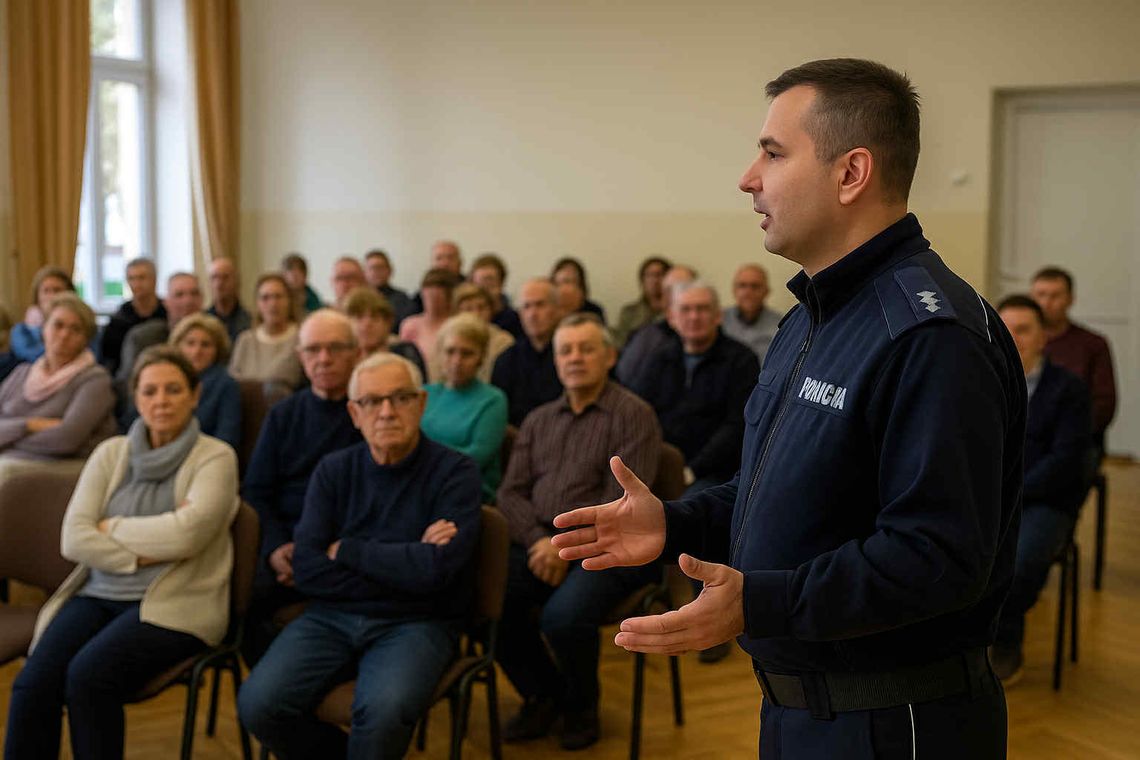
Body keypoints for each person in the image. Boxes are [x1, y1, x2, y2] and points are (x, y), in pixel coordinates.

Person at [553, 59, 1024, 759]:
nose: (749, 178)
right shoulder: (810, 316)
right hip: (800, 708)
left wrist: (759, 603)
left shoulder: (930, 335)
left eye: (773, 153)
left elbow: (937, 558)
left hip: (894, 720)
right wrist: (676, 524)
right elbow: (778, 489)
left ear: (851, 173)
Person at [238, 353, 482, 759]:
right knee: (258, 705)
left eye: (400, 398)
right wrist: (408, 557)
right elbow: (309, 569)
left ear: (421, 403)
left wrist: (348, 549)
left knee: (382, 713)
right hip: (331, 616)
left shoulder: (455, 472)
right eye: (371, 401)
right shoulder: (333, 470)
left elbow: (437, 572)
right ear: (354, 413)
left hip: (418, 622)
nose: (386, 412)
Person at [4, 345, 239, 760]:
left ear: (195, 395)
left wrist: (110, 528)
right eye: (150, 391)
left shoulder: (216, 456)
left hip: (173, 605)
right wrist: (143, 550)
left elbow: (186, 536)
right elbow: (73, 539)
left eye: (173, 390)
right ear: (136, 398)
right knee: (33, 683)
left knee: (88, 678)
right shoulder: (110, 453)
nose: (161, 401)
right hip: (98, 593)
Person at [496, 313, 662, 750]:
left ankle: (581, 707)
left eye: (586, 349)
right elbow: (509, 493)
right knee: (489, 600)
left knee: (563, 619)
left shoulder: (634, 415)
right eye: (565, 350)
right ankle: (544, 694)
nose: (575, 358)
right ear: (555, 361)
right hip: (539, 543)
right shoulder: (538, 420)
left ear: (609, 356)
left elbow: (622, 505)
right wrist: (539, 541)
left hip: (614, 549)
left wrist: (561, 547)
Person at [240, 309, 362, 664]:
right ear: (299, 356)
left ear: (356, 353)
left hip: (343, 546)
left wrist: (314, 552)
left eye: (335, 348)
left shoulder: (371, 415)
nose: (323, 358)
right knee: (243, 600)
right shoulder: (283, 414)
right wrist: (276, 547)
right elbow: (257, 491)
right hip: (287, 541)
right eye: (313, 349)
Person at [991, 295, 1090, 685]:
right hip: (989, 498)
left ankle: (1005, 642)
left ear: (1043, 337)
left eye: (1024, 330)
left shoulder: (1069, 389)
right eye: (1006, 329)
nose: (1014, 338)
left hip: (1044, 501)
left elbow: (1066, 461)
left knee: (1018, 565)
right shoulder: (980, 380)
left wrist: (1011, 492)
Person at [0, 294, 117, 471]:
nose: (64, 335)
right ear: (44, 329)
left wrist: (7, 438)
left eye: (75, 329)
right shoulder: (21, 373)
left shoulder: (95, 380)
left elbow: (66, 439)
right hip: (11, 461)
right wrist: (30, 425)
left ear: (86, 339)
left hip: (64, 467)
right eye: (58, 325)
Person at [422, 313, 509, 503]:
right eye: (450, 351)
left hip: (469, 490)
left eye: (467, 353)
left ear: (481, 358)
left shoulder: (493, 399)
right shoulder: (424, 394)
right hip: (421, 484)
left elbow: (476, 457)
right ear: (440, 353)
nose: (456, 361)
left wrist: (423, 454)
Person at [1030, 266, 1116, 454]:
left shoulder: (1093, 344)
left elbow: (1104, 404)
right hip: (1027, 439)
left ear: (1070, 299)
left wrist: (1071, 431)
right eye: (1041, 295)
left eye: (1055, 296)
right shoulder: (1019, 342)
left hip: (1077, 441)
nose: (1046, 303)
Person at [114, 272, 204, 401]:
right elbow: (127, 386)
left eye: (194, 294)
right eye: (179, 295)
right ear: (166, 302)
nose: (188, 301)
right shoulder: (142, 338)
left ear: (202, 299)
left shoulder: (217, 337)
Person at [491, 278, 564, 427]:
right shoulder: (507, 359)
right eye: (526, 307)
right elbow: (499, 415)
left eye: (540, 305)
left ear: (557, 309)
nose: (532, 314)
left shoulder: (571, 355)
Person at [614, 264, 696, 385]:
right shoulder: (647, 338)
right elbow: (627, 377)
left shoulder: (714, 335)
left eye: (684, 289)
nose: (678, 297)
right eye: (670, 291)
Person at [229, 273, 304, 391]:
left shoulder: (302, 339)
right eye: (265, 298)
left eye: (278, 297)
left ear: (289, 301)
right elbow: (233, 382)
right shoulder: (245, 340)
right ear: (257, 304)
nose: (273, 304)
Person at [100, 258, 167, 376]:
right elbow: (109, 362)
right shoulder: (118, 320)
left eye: (142, 278)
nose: (136, 284)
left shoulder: (168, 312)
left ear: (154, 279)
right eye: (131, 278)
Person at [342, 286, 427, 379]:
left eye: (375, 317)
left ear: (388, 323)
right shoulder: (344, 359)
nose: (367, 324)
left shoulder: (405, 352)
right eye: (359, 317)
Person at [447, 282, 515, 383]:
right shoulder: (448, 339)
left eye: (482, 308)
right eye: (468, 309)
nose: (476, 314)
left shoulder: (504, 341)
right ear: (457, 313)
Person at [10, 266, 79, 363]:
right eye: (46, 291)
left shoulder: (81, 327)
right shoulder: (22, 331)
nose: (52, 296)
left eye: (57, 290)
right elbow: (31, 356)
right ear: (37, 297)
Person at [722, 263, 782, 363]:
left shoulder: (781, 325)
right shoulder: (718, 320)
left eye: (755, 286)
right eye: (742, 286)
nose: (748, 292)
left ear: (767, 291)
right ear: (734, 290)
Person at [399, 268, 459, 365]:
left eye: (437, 298)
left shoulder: (458, 324)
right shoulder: (410, 325)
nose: (432, 303)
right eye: (428, 298)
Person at [613, 256, 671, 349]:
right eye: (649, 275)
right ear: (642, 280)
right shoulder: (629, 312)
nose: (655, 280)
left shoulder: (678, 311)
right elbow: (620, 344)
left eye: (659, 275)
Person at [469, 252, 523, 339]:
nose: (486, 288)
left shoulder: (515, 319)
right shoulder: (464, 317)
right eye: (481, 282)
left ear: (501, 282)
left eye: (490, 281)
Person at [363, 248, 414, 326]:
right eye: (372, 268)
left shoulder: (402, 299)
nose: (376, 272)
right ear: (364, 273)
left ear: (390, 270)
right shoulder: (358, 299)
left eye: (380, 267)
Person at [206, 258, 252, 341]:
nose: (219, 284)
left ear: (237, 282)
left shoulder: (250, 322)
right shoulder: (203, 322)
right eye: (214, 278)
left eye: (225, 277)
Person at [551, 257, 606, 323]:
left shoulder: (594, 310)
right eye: (557, 284)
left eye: (567, 282)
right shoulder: (549, 310)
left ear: (580, 287)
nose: (562, 289)